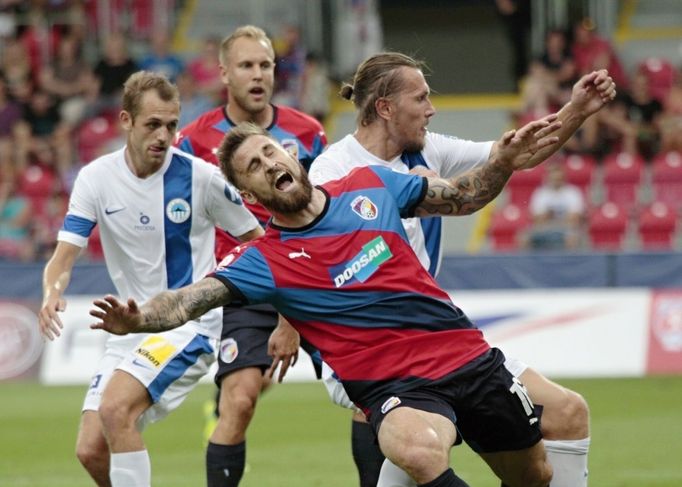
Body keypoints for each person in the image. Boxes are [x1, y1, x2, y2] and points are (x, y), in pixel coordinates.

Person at [89, 117, 569, 487]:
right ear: (246, 194)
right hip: (395, 388)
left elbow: (462, 197)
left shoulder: (367, 185)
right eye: (254, 167)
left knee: (536, 476)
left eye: (270, 153)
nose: (270, 165)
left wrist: (502, 161)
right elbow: (188, 301)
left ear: (291, 154)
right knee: (417, 451)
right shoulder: (263, 260)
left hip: (465, 357)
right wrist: (138, 319)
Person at [307, 52, 615, 487]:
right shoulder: (333, 171)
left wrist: (576, 110)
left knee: (567, 412)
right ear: (385, 107)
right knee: (423, 446)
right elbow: (337, 267)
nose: (431, 109)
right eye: (421, 98)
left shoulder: (425, 149)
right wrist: (417, 193)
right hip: (375, 347)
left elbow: (515, 155)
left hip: (438, 340)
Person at [37, 71, 297, 487]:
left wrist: (288, 317)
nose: (164, 135)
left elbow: (264, 243)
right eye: (152, 124)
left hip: (189, 324)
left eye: (172, 125)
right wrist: (52, 294)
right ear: (125, 121)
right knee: (90, 449)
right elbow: (63, 255)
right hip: (129, 328)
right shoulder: (95, 179)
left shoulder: (202, 177)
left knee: (116, 410)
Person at [174, 25, 327, 487]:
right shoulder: (192, 141)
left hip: (312, 274)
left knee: (366, 399)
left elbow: (324, 205)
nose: (257, 74)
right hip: (247, 284)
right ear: (224, 73)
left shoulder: (309, 132)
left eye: (265, 65)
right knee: (239, 402)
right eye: (246, 65)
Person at [528, 162, 585, 250]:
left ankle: (569, 263)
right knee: (525, 237)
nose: (556, 181)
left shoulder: (573, 192)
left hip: (567, 228)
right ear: (548, 178)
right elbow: (537, 219)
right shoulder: (541, 193)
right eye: (554, 178)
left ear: (563, 178)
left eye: (559, 179)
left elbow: (575, 218)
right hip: (545, 228)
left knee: (572, 238)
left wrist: (549, 215)